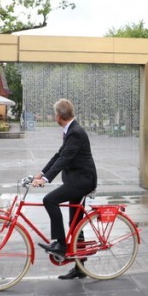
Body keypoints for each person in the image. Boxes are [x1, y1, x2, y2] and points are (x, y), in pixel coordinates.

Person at [33, 99, 98, 279]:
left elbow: (65, 159)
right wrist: (41, 173)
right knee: (75, 223)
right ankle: (80, 267)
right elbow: (59, 155)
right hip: (77, 180)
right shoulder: (71, 130)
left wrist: (45, 179)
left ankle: (61, 245)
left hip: (82, 182)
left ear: (58, 116)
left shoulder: (75, 132)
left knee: (50, 200)